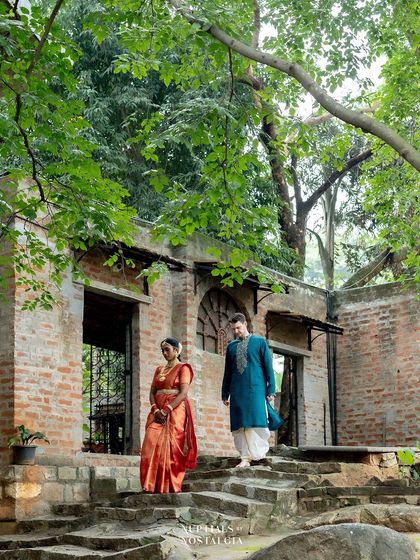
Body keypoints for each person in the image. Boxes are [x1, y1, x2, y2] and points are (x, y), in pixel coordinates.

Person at [140, 337, 197, 493]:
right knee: (149, 444)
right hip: (157, 409)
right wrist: (156, 409)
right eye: (162, 350)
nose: (164, 353)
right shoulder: (159, 370)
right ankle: (149, 484)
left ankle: (168, 485)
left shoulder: (183, 368)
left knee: (171, 447)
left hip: (176, 409)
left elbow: (183, 393)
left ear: (176, 350)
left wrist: (167, 409)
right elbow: (152, 392)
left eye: (167, 350)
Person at [222, 313, 276, 468]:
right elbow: (228, 372)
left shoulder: (259, 342)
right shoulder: (231, 347)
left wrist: (270, 389)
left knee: (255, 420)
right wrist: (225, 393)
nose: (236, 331)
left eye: (238, 327)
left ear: (245, 324)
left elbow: (268, 368)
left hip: (256, 389)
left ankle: (258, 454)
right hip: (237, 390)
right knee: (240, 423)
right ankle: (245, 457)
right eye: (233, 329)